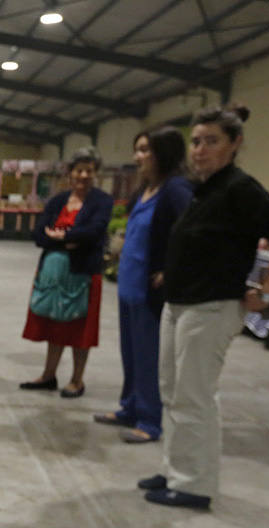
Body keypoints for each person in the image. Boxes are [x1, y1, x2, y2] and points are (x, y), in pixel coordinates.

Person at [138, 105, 269, 509]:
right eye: (196, 142)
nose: (200, 150)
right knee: (173, 392)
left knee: (193, 396)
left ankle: (194, 484)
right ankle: (176, 469)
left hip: (210, 308)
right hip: (181, 303)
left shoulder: (238, 188)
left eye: (211, 141)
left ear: (235, 144)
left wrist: (267, 291)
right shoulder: (205, 188)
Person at [94, 127, 193, 443]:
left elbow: (192, 231)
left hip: (151, 291)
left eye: (145, 150)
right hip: (129, 286)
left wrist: (171, 269)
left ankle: (151, 421)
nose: (138, 157)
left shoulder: (175, 190)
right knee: (131, 353)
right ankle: (130, 407)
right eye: (137, 149)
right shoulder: (143, 191)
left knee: (150, 357)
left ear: (163, 153)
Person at [20, 147, 114, 398]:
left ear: (95, 174)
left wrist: (63, 235)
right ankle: (48, 375)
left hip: (83, 273)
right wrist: (67, 240)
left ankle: (76, 380)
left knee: (79, 328)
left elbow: (95, 232)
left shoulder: (102, 201)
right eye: (79, 170)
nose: (83, 175)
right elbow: (39, 234)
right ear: (70, 173)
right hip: (52, 273)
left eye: (89, 171)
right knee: (53, 324)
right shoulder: (58, 201)